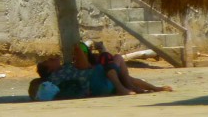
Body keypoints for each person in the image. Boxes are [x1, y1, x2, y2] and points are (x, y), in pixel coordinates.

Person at [34, 42, 172, 99]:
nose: (52, 58)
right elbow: (85, 68)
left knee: (120, 71)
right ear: (49, 68)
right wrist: (77, 47)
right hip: (94, 81)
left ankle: (153, 88)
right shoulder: (59, 74)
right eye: (48, 61)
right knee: (114, 64)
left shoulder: (63, 70)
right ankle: (125, 88)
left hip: (96, 82)